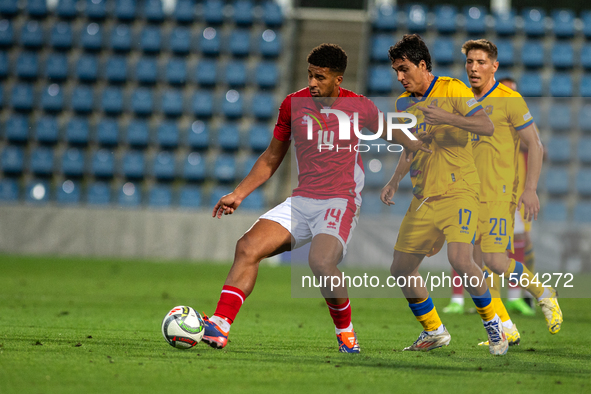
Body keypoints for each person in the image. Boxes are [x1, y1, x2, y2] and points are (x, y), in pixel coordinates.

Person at [202, 43, 429, 353]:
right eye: (310, 75)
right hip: (302, 200)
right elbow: (272, 156)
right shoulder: (292, 105)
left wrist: (422, 146)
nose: (311, 83)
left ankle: (346, 333)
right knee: (247, 247)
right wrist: (239, 193)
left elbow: (395, 133)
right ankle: (219, 325)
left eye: (319, 77)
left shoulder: (359, 107)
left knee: (321, 262)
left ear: (338, 80)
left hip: (340, 200)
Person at [380, 34, 509, 355]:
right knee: (400, 268)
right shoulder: (402, 103)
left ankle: (496, 330)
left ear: (422, 65)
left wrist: (447, 118)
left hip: (459, 190)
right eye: (396, 70)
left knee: (460, 259)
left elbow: (485, 126)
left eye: (404, 69)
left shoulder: (452, 88)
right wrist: (394, 180)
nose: (399, 77)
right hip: (424, 196)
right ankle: (434, 331)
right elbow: (409, 147)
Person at [459, 39, 562, 339]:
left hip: (499, 193)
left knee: (493, 260)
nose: (474, 68)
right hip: (469, 192)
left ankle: (544, 292)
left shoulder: (510, 99)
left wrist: (530, 189)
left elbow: (536, 145)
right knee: (475, 264)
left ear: (494, 66)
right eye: (470, 62)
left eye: (480, 62)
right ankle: (505, 328)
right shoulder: (463, 100)